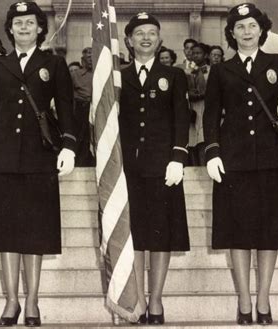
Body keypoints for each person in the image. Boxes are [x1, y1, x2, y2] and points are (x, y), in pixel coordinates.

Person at [203, 3, 278, 325]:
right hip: (232, 162)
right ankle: (244, 300)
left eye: (252, 26)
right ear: (232, 33)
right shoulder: (221, 70)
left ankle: (263, 300)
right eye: (240, 27)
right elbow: (211, 114)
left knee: (269, 233)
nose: (247, 32)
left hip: (270, 159)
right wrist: (212, 152)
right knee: (237, 232)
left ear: (261, 30)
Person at [0, 2, 77, 327]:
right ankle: (11, 302)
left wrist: (70, 146)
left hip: (39, 156)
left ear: (40, 27)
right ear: (11, 28)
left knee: (35, 231)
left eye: (30, 23)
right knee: (5, 231)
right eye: (18, 23)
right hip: (2, 156)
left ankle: (32, 301)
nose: (24, 28)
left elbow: (68, 107)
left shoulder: (54, 63)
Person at [120, 12, 190, 325]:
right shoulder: (117, 76)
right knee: (135, 235)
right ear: (129, 41)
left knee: (161, 235)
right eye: (139, 33)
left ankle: (157, 299)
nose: (146, 38)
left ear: (160, 40)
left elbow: (181, 118)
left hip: (164, 166)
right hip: (130, 167)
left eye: (152, 33)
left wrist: (178, 157)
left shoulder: (174, 75)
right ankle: (137, 298)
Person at [71, 47, 95, 167]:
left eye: (93, 57)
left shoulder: (100, 73)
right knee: (81, 137)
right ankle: (80, 163)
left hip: (97, 109)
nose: (91, 60)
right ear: (83, 59)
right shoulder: (75, 75)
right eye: (88, 57)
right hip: (82, 109)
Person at [187, 42, 210, 166]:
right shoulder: (188, 70)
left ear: (205, 55)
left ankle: (204, 165)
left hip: (205, 106)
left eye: (199, 53)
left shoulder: (210, 70)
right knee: (191, 139)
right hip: (192, 107)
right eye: (193, 53)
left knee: (202, 138)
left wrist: (202, 94)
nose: (196, 56)